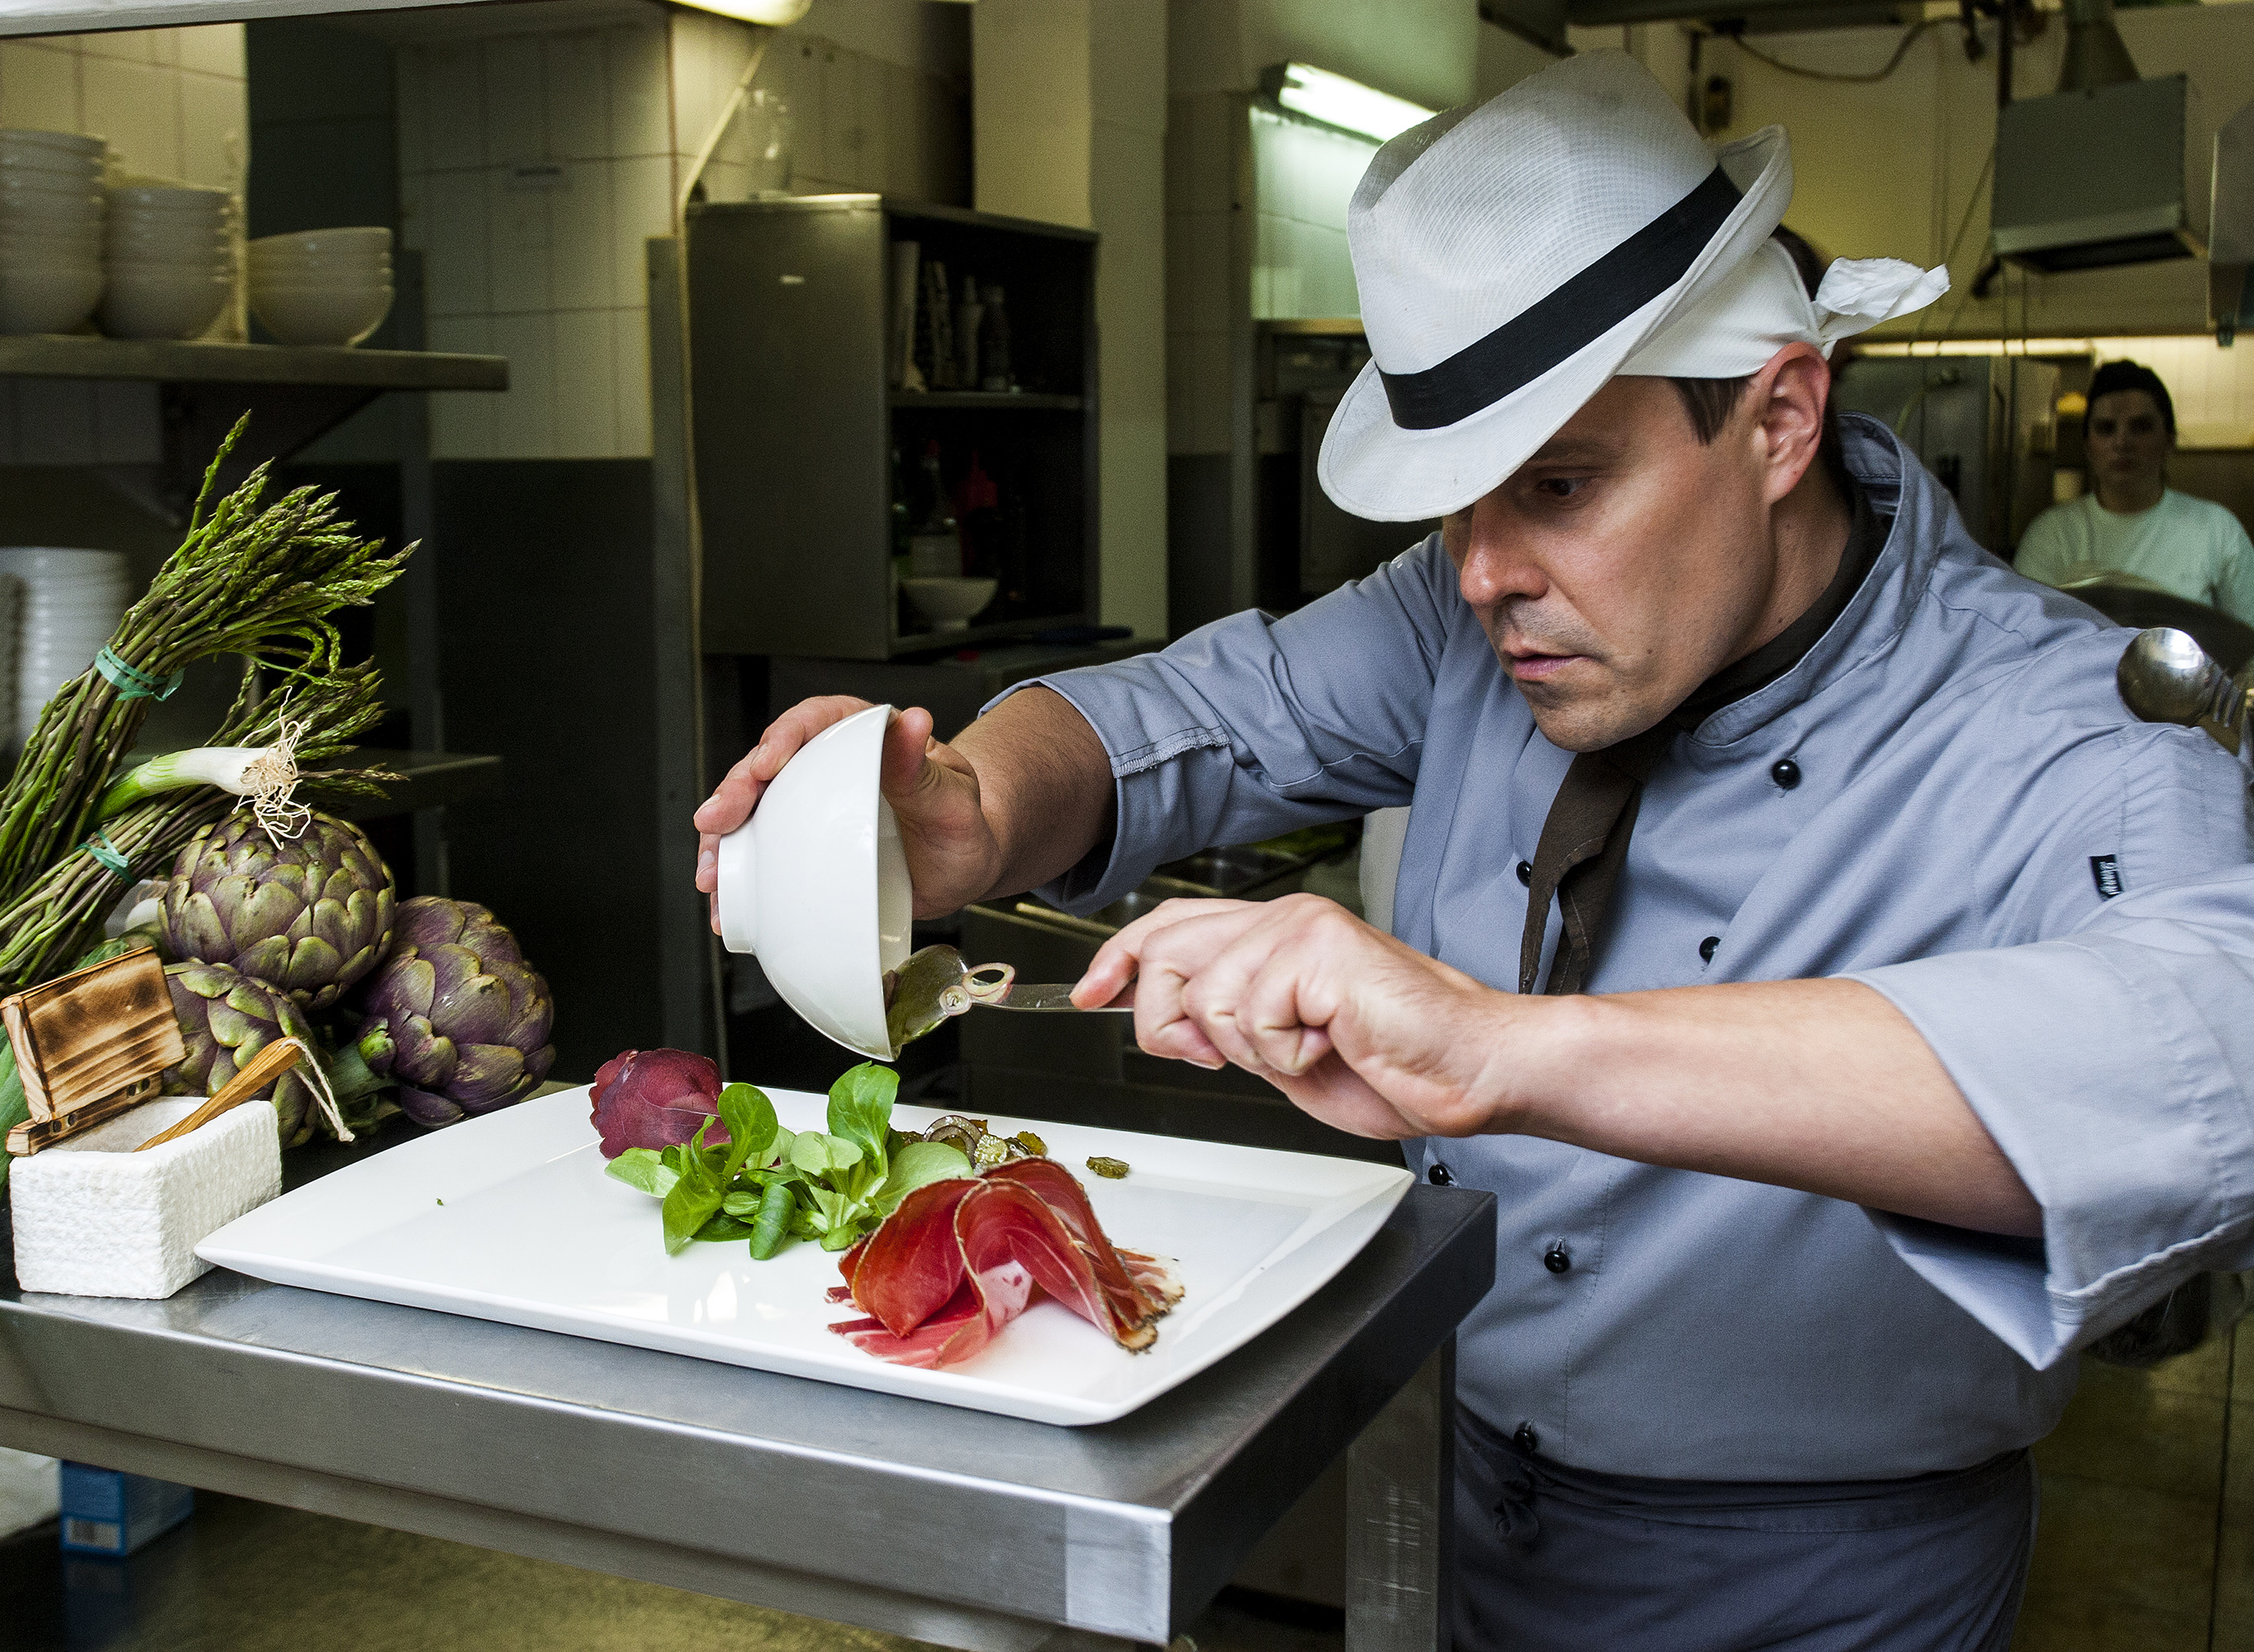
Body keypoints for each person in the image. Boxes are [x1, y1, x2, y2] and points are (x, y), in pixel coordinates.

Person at [695, 53, 2254, 1651]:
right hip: (1449, 1498)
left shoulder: (2053, 718)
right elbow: (1192, 711)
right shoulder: (1477, 613)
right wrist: (970, 803)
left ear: (1781, 415)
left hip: (1827, 1585)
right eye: (1453, 508)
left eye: (1563, 485)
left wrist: (1502, 1049)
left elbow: (2205, 1059)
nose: (1487, 572)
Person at [2014, 359, 2254, 619]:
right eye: (2106, 429)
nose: (2122, 442)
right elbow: (2026, 633)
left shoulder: (2217, 531)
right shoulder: (2051, 536)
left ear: (2169, 441)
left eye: (2140, 427)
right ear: (2087, 447)